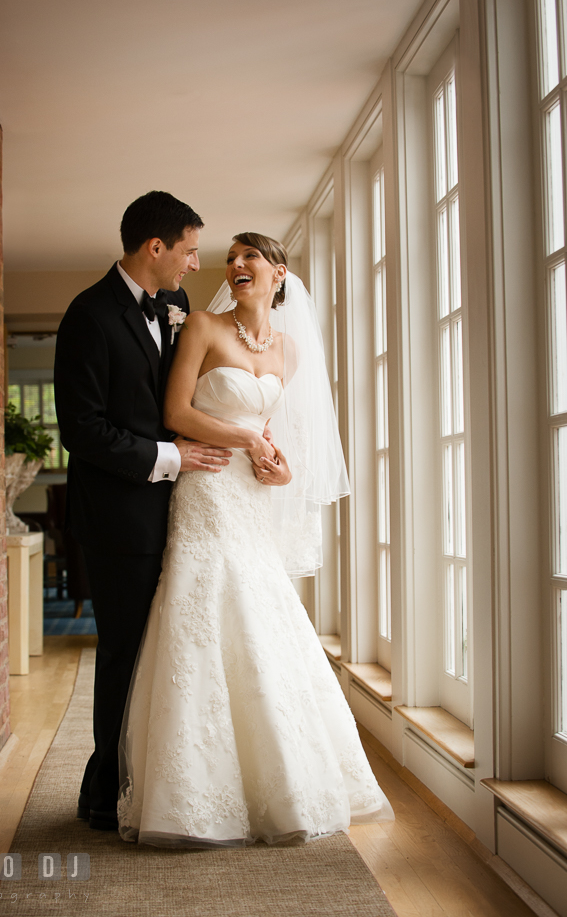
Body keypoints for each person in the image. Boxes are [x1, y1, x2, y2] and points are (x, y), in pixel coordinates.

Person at [117, 232, 394, 847]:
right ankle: (194, 791)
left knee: (264, 616)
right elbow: (177, 413)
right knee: (204, 607)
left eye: (251, 258)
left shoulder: (291, 350)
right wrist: (245, 442)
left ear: (278, 274)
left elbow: (276, 432)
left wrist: (282, 466)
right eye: (231, 258)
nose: (236, 265)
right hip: (208, 486)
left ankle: (285, 780)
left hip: (253, 494)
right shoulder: (202, 328)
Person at [54, 191, 232, 830]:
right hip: (119, 522)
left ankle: (163, 782)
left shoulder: (180, 307)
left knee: (175, 653)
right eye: (187, 251)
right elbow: (82, 428)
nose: (192, 265)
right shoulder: (88, 316)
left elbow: (184, 398)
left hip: (185, 516)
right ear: (154, 248)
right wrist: (172, 458)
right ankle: (106, 791)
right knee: (127, 654)